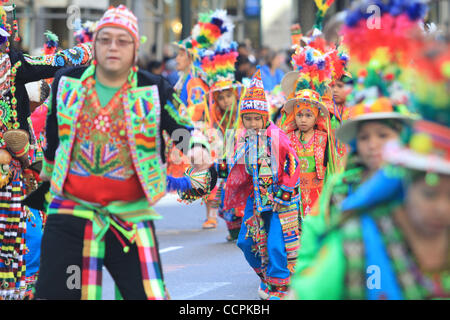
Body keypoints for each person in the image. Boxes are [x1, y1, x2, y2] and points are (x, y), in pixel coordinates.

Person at [34, 5, 207, 300]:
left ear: (135, 48)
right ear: (95, 44)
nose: (113, 47)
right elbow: (53, 137)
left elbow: (178, 124)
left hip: (129, 217)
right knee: (64, 294)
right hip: (71, 215)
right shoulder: (67, 82)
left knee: (146, 295)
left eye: (122, 40)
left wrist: (194, 145)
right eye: (105, 39)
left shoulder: (153, 88)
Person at [0, 4, 92, 300]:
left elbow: (54, 63)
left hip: (15, 169)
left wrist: (88, 51)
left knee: (22, 236)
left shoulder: (14, 67)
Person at [224, 69, 301, 300]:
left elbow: (294, 164)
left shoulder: (277, 137)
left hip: (280, 200)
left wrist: (285, 191)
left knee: (277, 245)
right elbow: (233, 169)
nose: (253, 123)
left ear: (265, 117)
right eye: (248, 118)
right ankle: (268, 279)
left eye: (257, 118)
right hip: (256, 202)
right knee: (246, 242)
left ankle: (279, 288)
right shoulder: (241, 139)